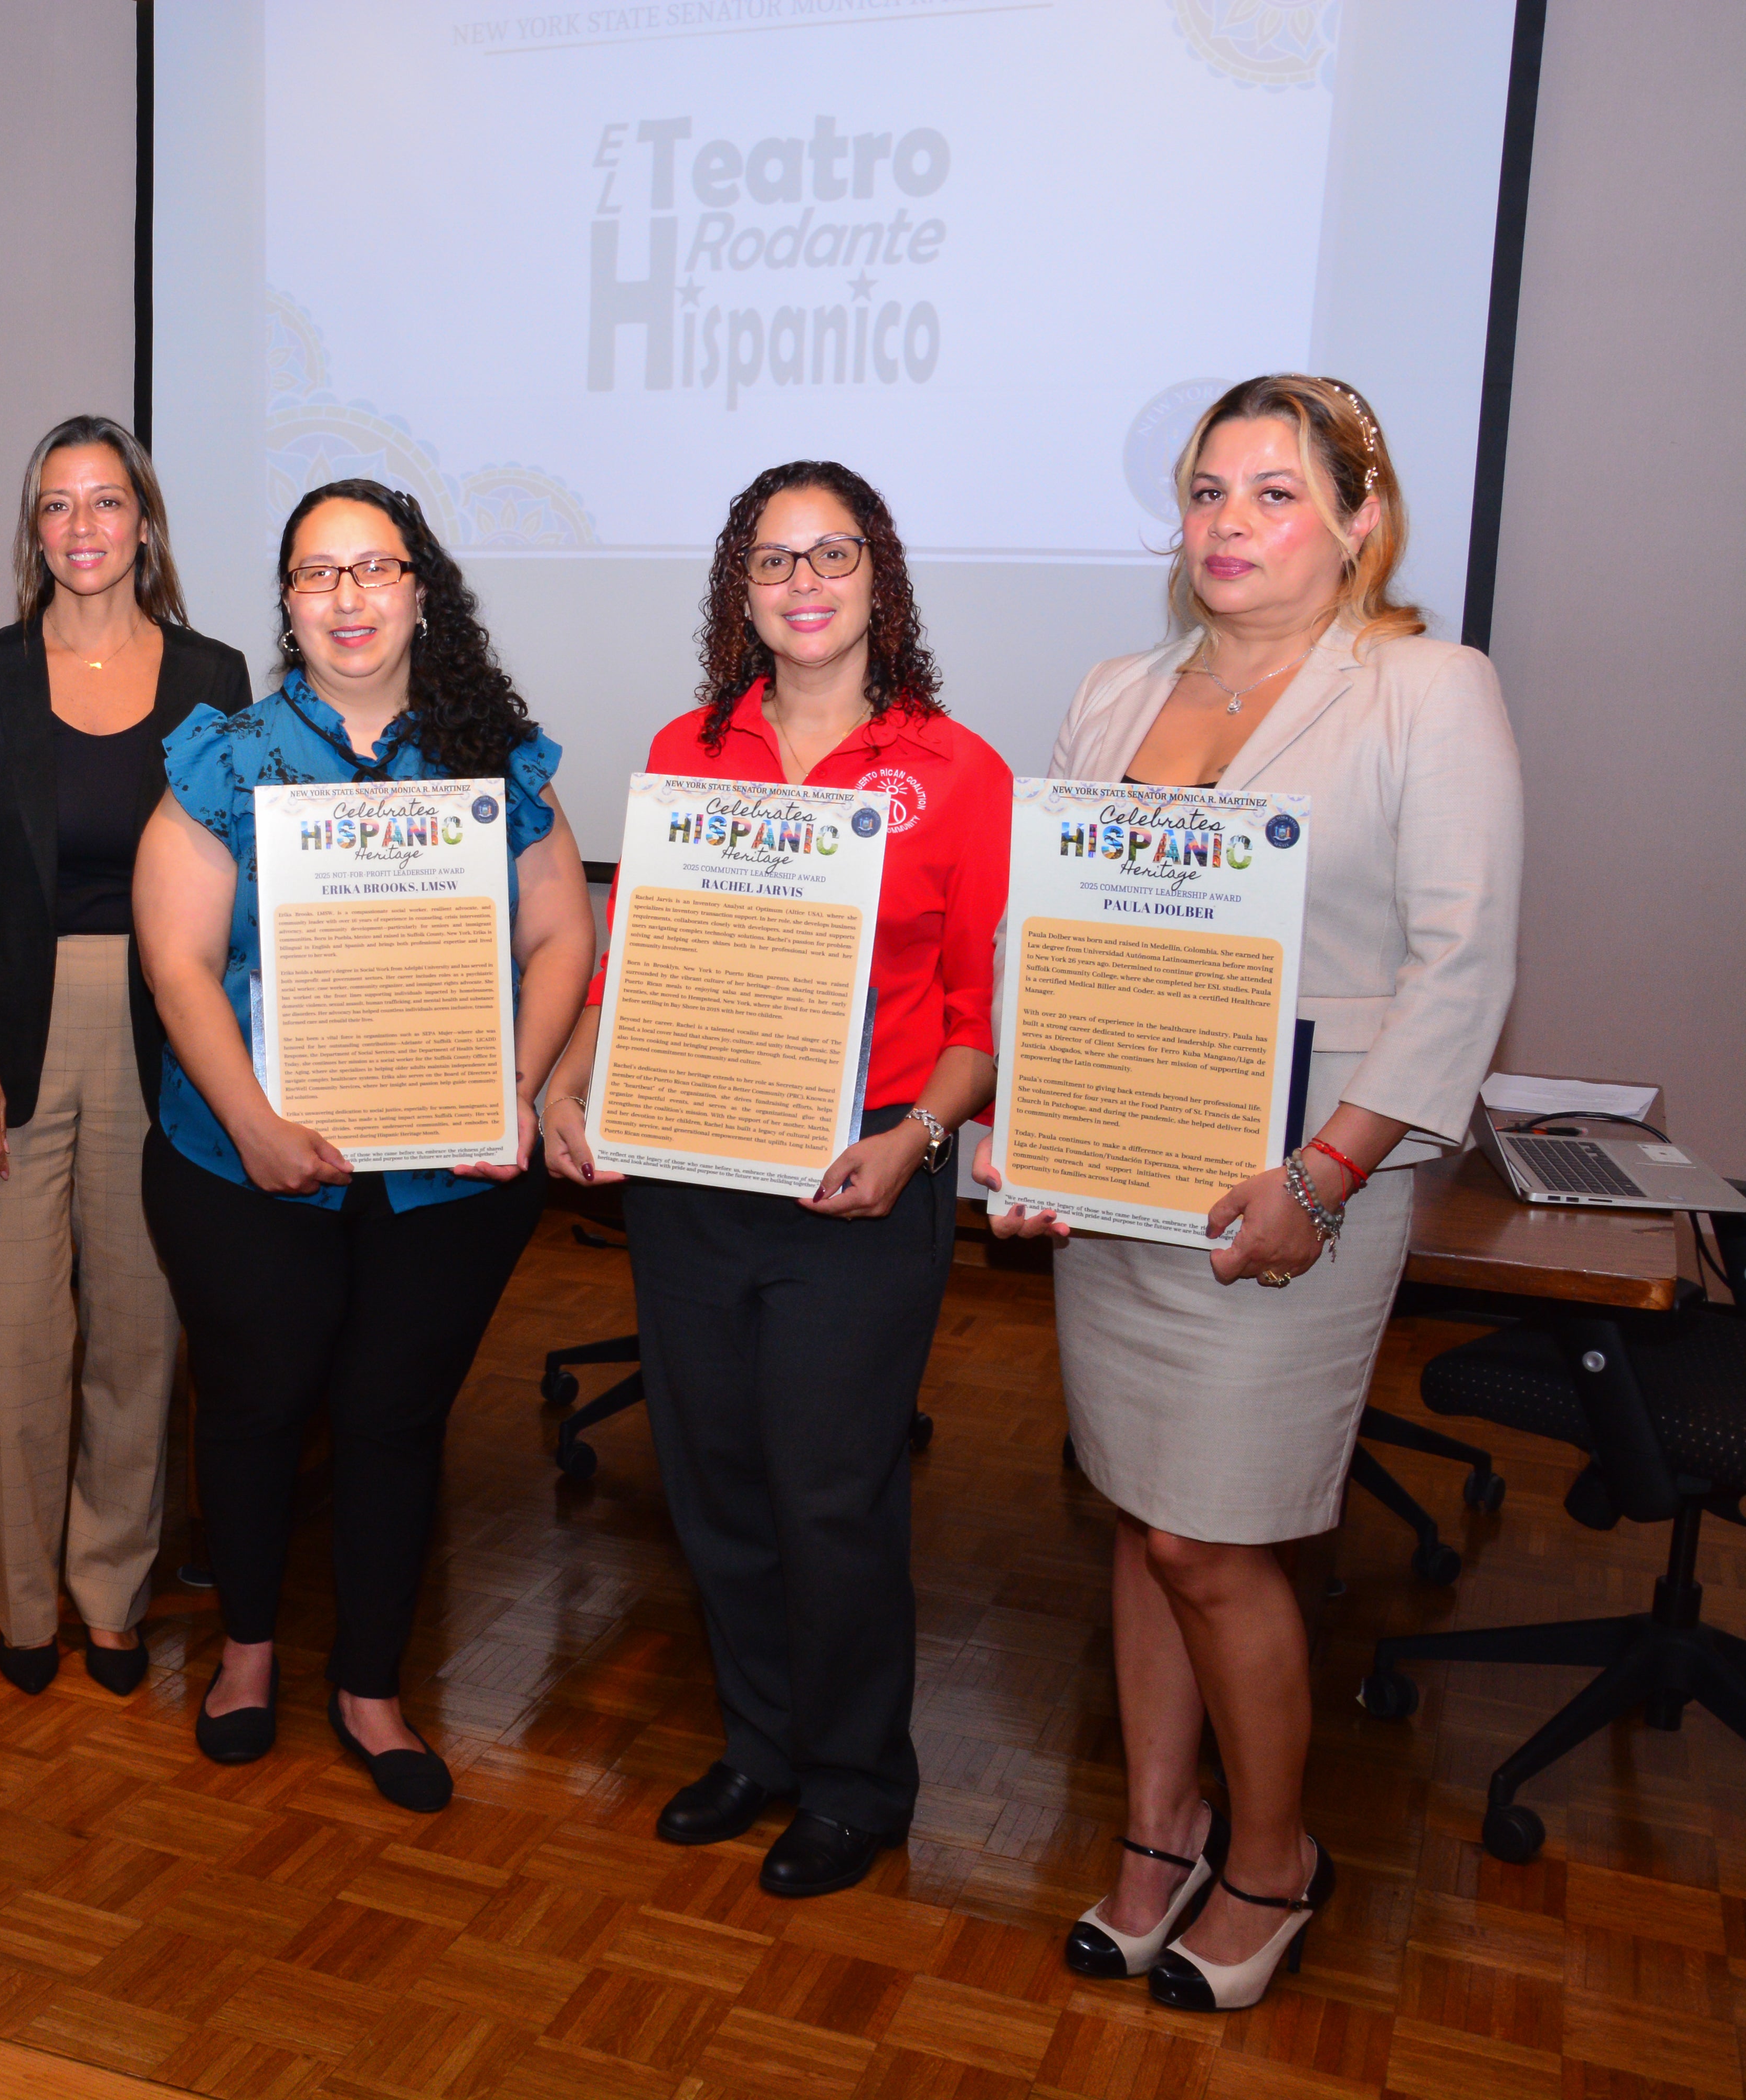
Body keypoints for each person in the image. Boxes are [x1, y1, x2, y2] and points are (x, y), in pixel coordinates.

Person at [982, 376, 1520, 2010]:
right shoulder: (1113, 688)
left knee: (1220, 1545)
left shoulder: (1430, 691)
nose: (1228, 523)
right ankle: (1161, 1835)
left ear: (1362, 523)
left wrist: (1330, 1173)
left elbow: (1460, 969)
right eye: (1207, 490)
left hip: (1293, 1201)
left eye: (1275, 494)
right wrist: (1024, 1119)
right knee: (1147, 1527)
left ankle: (1275, 1859)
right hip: (1118, 1182)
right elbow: (1051, 929)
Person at [543, 461, 1009, 1897]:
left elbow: (986, 1022)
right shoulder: (690, 748)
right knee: (717, 1483)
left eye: (834, 554)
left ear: (883, 579)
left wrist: (916, 1143)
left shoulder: (959, 772)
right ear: (738, 590)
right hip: (693, 1174)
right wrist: (571, 1082)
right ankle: (759, 1743)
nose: (806, 583)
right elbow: (635, 967)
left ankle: (860, 1781)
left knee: (832, 1495)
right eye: (773, 559)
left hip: (861, 1180)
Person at [136, 478, 591, 1812]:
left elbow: (563, 934)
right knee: (259, 1407)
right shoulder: (228, 755)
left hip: (447, 1173)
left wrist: (512, 1088)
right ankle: (248, 1655)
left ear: (421, 588)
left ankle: (373, 1683)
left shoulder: (495, 755)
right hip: (245, 1166)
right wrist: (258, 1126)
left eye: (374, 569)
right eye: (315, 574)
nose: (346, 597)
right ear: (286, 601)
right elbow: (175, 962)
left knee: (396, 1422)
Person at [0, 415, 249, 1697]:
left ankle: (113, 1588)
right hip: (4, 1023)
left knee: (139, 1329)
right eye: (60, 504)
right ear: (33, 529)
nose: (86, 526)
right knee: (9, 1332)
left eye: (109, 502)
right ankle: (24, 1598)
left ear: (144, 523)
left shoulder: (214, 675)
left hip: (165, 1027)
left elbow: (238, 874)